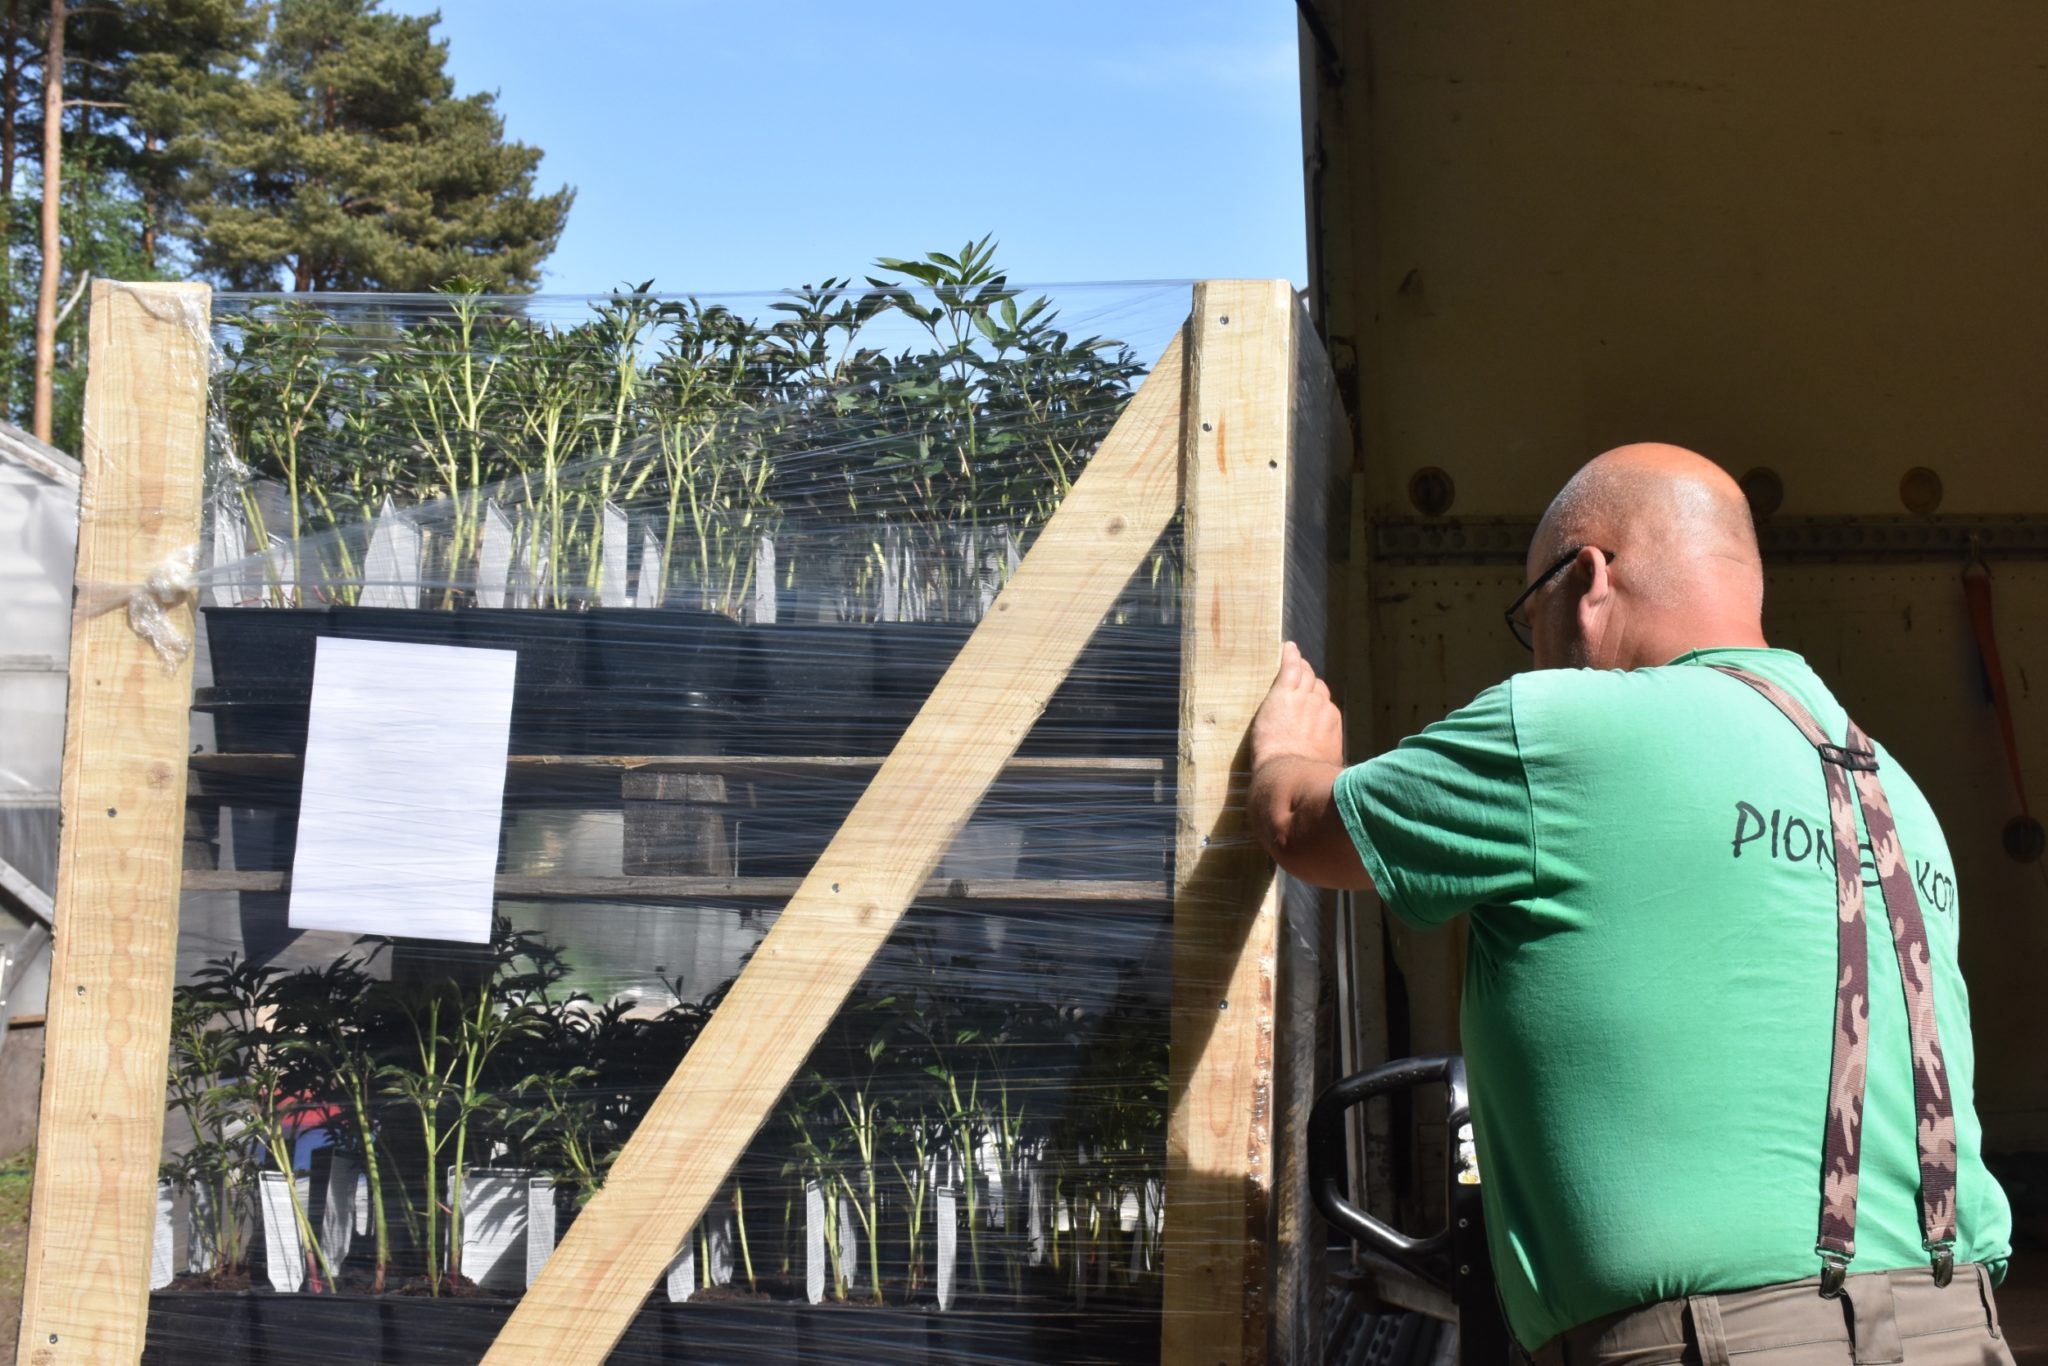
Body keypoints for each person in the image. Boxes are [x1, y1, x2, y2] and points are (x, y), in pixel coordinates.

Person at [1249, 444, 2015, 1365]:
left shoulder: (1565, 730)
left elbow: (1297, 825)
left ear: (1587, 579)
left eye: (1527, 617)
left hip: (1721, 1345)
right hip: (1961, 1326)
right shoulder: (1891, 788)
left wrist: (1290, 750)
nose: (1535, 648)